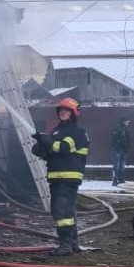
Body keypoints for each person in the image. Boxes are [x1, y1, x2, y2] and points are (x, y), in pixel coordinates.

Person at [31, 98, 88, 256]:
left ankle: (65, 245)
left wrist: (46, 140)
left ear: (74, 113)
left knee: (62, 211)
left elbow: (62, 148)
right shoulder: (57, 131)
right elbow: (52, 152)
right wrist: (40, 147)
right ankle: (72, 243)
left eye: (66, 110)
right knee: (64, 211)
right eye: (61, 110)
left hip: (68, 177)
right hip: (56, 177)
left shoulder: (77, 132)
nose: (63, 112)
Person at [110, 117, 132, 186]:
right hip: (117, 149)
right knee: (116, 165)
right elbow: (116, 139)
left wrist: (127, 147)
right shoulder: (117, 128)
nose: (128, 123)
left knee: (122, 166)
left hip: (124, 150)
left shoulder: (126, 129)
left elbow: (128, 139)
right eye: (127, 122)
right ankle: (115, 179)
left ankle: (121, 179)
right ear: (123, 121)